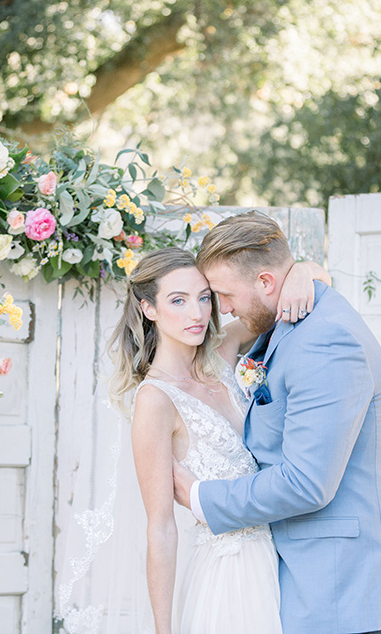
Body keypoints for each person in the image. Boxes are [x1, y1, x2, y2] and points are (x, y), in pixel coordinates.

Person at [172, 211, 381, 634]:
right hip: (315, 586)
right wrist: (308, 270)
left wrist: (201, 498)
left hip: (344, 591)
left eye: (223, 294)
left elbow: (306, 482)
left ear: (267, 283)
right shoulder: (292, 318)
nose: (223, 309)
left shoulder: (326, 341)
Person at [105, 246, 329, 634]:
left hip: (281, 562)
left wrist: (302, 270)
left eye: (204, 298)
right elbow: (160, 527)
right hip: (228, 576)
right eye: (178, 300)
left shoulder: (222, 353)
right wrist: (163, 629)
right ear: (148, 308)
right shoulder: (155, 401)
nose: (196, 313)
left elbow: (311, 285)